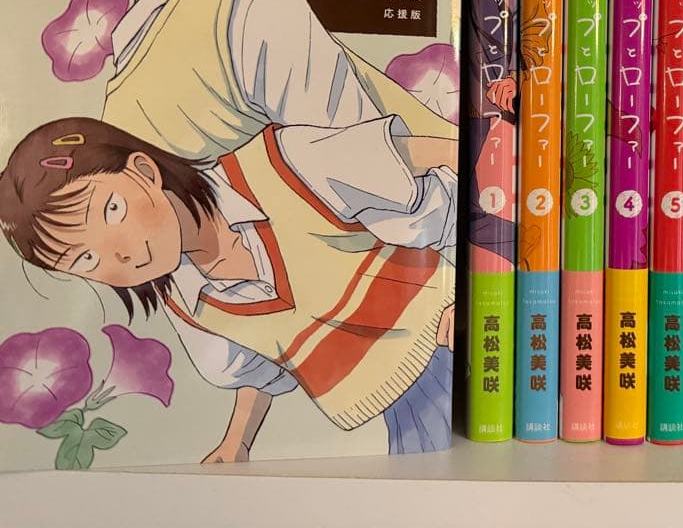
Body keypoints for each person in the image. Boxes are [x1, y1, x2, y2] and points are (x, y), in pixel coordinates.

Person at [49, 0, 459, 459]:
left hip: (380, 366)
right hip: (438, 306)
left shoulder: (118, 109)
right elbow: (377, 181)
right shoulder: (250, 7)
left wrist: (238, 439)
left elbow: (235, 298)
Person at [0, 116, 456, 460]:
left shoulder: (279, 164)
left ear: (143, 170)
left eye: (112, 211)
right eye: (86, 259)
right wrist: (238, 441)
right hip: (395, 396)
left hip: (453, 324)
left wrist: (477, 287)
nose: (120, 255)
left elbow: (439, 155)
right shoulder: (188, 304)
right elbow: (265, 357)